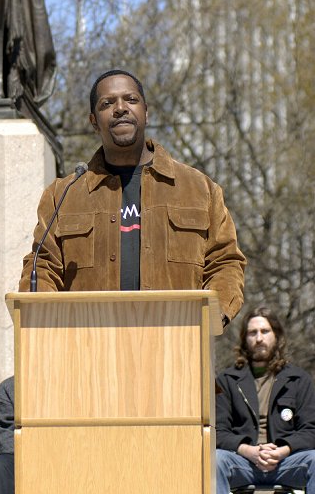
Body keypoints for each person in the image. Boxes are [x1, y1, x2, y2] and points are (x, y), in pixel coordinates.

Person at [19, 68, 245, 326]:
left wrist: (215, 314)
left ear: (146, 113)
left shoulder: (200, 189)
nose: (120, 108)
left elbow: (225, 261)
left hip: (178, 348)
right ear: (94, 121)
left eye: (131, 99)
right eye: (107, 103)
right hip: (90, 351)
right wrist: (42, 320)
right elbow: (42, 267)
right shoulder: (63, 194)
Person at [215, 306, 315, 494]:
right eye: (252, 332)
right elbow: (218, 431)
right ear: (244, 340)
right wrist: (249, 450)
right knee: (215, 460)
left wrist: (282, 450)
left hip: (285, 463)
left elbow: (310, 430)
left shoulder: (299, 380)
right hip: (244, 463)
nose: (259, 338)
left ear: (276, 336)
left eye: (265, 331)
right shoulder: (226, 380)